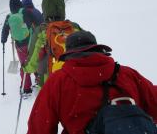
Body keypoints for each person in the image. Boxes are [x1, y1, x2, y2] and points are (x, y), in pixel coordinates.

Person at [27, 31, 157, 134]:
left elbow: (39, 127)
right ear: (97, 49)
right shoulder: (127, 74)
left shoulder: (57, 82)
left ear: (69, 54)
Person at [23, 0, 82, 86]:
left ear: (45, 10)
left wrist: (25, 67)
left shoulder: (41, 31)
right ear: (62, 8)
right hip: (75, 82)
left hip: (50, 83)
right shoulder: (74, 27)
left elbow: (32, 63)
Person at [1, 0, 41, 95]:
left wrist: (3, 40)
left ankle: (26, 88)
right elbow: (37, 23)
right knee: (35, 59)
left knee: (24, 64)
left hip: (19, 45)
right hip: (30, 41)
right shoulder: (25, 11)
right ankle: (39, 79)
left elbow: (5, 30)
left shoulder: (9, 16)